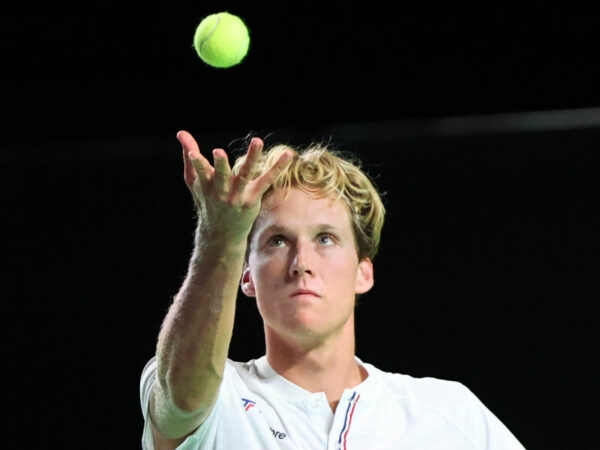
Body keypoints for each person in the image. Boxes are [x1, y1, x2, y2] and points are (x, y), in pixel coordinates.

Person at [139, 129, 526, 449]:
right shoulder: (217, 398)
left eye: (325, 239)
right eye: (277, 241)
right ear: (247, 277)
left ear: (364, 272)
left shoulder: (449, 413)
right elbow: (182, 399)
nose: (301, 262)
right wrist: (220, 238)